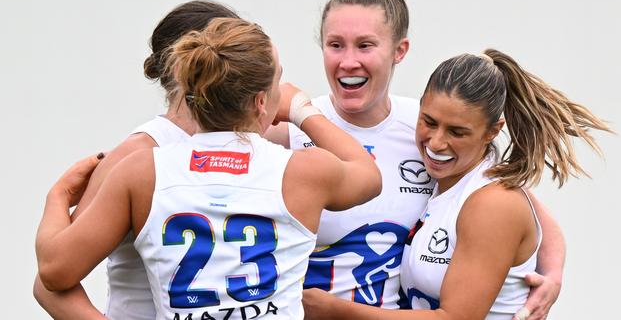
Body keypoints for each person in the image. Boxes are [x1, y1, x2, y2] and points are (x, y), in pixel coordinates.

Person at [264, 0, 565, 317]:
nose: (347, 61)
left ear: (399, 51)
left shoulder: (424, 126)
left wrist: (552, 275)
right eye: (335, 44)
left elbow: (529, 212)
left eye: (365, 45)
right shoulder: (291, 128)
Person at [36, 18, 382, 319]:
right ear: (261, 102)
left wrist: (58, 196)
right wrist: (304, 111)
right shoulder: (304, 171)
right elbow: (368, 175)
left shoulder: (141, 171)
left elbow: (53, 274)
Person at [301, 49, 612, 319]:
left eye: (457, 132)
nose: (436, 143)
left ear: (493, 131)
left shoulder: (492, 202)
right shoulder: (448, 178)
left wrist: (334, 310)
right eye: (429, 122)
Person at [32, 0, 241, 320]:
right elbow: (50, 283)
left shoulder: (248, 145)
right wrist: (57, 197)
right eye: (226, 55)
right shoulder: (137, 155)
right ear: (183, 66)